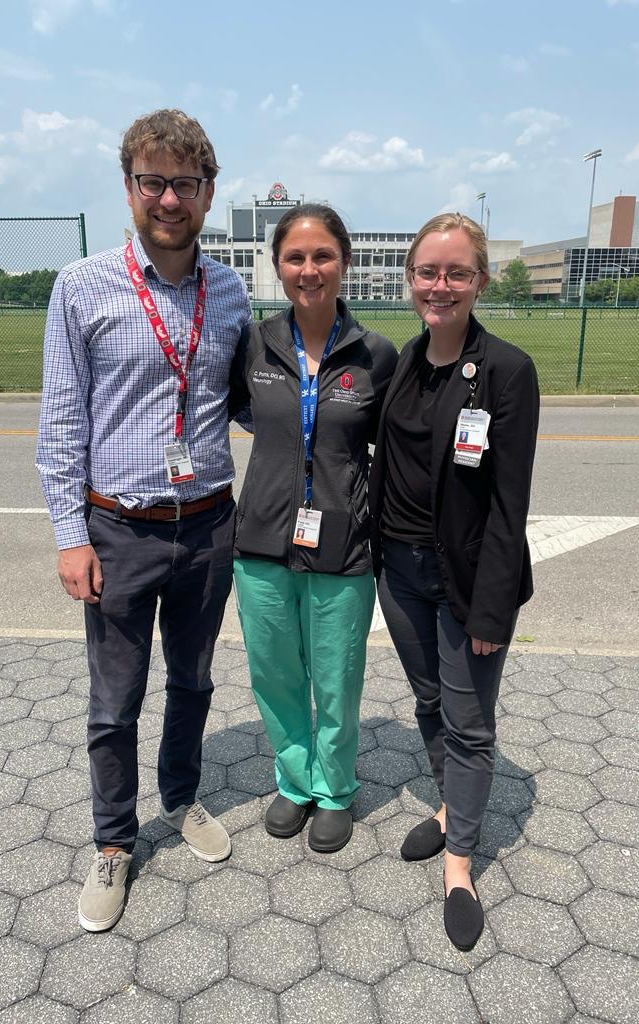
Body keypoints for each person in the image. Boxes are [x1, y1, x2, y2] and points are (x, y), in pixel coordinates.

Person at [36, 109, 251, 932]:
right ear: (130, 187)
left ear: (207, 193)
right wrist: (69, 534)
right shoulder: (82, 286)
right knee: (113, 702)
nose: (169, 198)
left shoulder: (228, 290)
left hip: (206, 526)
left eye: (185, 184)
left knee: (194, 682)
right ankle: (115, 842)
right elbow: (61, 423)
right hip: (118, 530)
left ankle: (185, 796)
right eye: (153, 181)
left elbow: (244, 400)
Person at [368, 213, 539, 949]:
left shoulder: (505, 370)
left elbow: (510, 502)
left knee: (469, 726)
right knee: (430, 698)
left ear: (480, 281)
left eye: (456, 273)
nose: (440, 286)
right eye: (428, 272)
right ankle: (448, 808)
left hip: (466, 581)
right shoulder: (403, 360)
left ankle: (461, 860)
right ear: (411, 279)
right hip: (398, 574)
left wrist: (493, 610)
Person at [230, 204, 398, 853]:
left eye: (322, 255)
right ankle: (294, 780)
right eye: (296, 257)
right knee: (274, 672)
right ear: (278, 266)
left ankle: (334, 789)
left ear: (344, 262)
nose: (309, 269)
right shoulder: (253, 344)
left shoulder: (374, 355)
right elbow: (237, 412)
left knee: (336, 677)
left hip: (344, 546)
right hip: (262, 543)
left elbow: (394, 448)